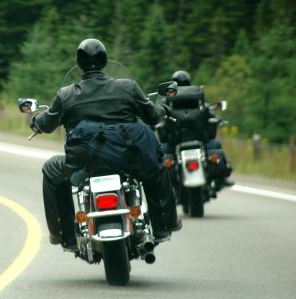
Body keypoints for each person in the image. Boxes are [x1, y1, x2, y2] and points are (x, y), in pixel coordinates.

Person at [30, 38, 182, 249]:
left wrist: (36, 120)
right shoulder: (127, 87)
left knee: (51, 170)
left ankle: (64, 235)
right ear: (104, 61)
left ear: (79, 63)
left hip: (83, 162)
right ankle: (163, 225)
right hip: (127, 159)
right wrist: (163, 109)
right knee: (156, 165)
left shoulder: (66, 95)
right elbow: (152, 116)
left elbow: (46, 124)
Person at [167, 70, 234, 188]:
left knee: (161, 154)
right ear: (188, 82)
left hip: (175, 142)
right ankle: (221, 179)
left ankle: (163, 187)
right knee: (216, 146)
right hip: (200, 140)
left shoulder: (167, 100)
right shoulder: (197, 98)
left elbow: (158, 115)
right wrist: (219, 120)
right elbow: (208, 112)